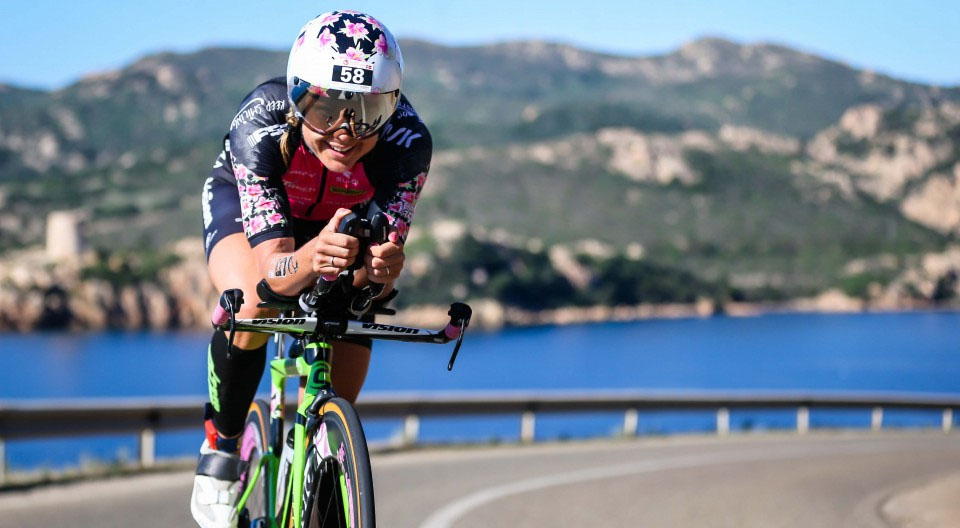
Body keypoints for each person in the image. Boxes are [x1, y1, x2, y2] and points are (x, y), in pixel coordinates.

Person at [190, 11, 431, 528]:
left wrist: (380, 269)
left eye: (367, 112)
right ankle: (221, 451)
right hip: (255, 216)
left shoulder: (408, 146)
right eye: (325, 110)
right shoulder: (262, 122)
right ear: (300, 96)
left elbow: (373, 281)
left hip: (336, 229)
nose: (345, 133)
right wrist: (308, 256)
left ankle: (320, 462)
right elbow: (272, 272)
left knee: (348, 316)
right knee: (252, 305)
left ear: (392, 108)